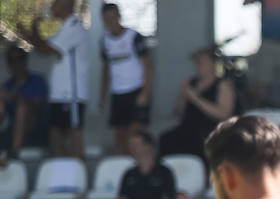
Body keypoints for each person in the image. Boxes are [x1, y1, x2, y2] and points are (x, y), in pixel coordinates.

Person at [18, 0, 89, 159]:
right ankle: (61, 178)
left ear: (66, 6)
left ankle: (79, 178)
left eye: (55, 4)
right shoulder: (64, 28)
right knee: (56, 139)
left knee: (73, 137)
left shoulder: (74, 27)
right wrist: (30, 33)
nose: (51, 7)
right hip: (59, 94)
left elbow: (47, 50)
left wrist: (32, 31)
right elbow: (44, 46)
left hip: (71, 95)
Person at [158, 47, 236, 159]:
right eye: (197, 63)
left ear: (213, 64)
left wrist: (195, 98)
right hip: (188, 127)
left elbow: (224, 113)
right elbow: (178, 112)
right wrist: (183, 96)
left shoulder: (222, 84)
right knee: (166, 139)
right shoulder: (192, 82)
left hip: (210, 129)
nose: (198, 66)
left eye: (202, 62)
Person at [99, 2, 153, 156]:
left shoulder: (134, 37)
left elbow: (148, 66)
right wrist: (103, 96)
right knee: (119, 136)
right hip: (117, 93)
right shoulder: (104, 42)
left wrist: (145, 92)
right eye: (106, 18)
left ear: (119, 16)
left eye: (113, 17)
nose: (110, 21)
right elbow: (106, 69)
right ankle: (123, 167)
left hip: (136, 91)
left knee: (134, 135)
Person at [0, 47, 48, 162]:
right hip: (11, 130)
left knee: (22, 108)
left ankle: (14, 154)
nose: (15, 64)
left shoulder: (37, 81)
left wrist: (15, 98)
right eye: (11, 60)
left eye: (19, 59)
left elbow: (39, 105)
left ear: (25, 60)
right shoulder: (7, 85)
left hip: (35, 129)